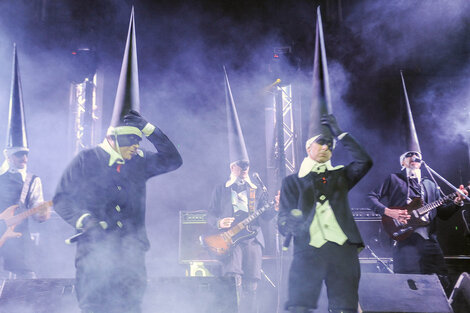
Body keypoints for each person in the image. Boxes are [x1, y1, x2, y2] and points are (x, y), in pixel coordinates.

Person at [53, 110, 182, 313]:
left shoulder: (138, 161)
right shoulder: (87, 159)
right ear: (113, 140)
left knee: (131, 306)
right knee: (94, 306)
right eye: (132, 141)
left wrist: (149, 129)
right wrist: (85, 221)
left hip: (131, 255)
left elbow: (173, 160)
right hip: (94, 253)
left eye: (138, 141)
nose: (137, 146)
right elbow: (62, 200)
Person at [278, 114, 372, 313]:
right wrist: (291, 224)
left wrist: (339, 133)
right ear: (308, 147)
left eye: (330, 145)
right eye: (321, 143)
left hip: (342, 250)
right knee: (299, 306)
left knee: (345, 307)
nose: (325, 148)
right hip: (308, 249)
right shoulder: (292, 181)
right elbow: (283, 219)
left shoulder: (340, 176)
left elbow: (364, 161)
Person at [368, 150, 467, 291]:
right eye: (409, 156)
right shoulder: (394, 178)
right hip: (404, 238)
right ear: (403, 163)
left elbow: (443, 213)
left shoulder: (430, 184)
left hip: (429, 240)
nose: (414, 157)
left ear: (421, 163)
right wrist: (390, 212)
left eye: (417, 157)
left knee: (441, 279)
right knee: (407, 282)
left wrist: (457, 202)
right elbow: (371, 197)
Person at [0, 44, 50, 279]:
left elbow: (40, 215)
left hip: (20, 244)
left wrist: (42, 214)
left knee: (22, 287)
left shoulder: (32, 181)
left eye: (26, 154)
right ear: (8, 154)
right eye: (20, 154)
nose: (25, 158)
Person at [207, 159, 277, 313]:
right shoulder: (221, 189)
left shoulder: (257, 189)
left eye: (247, 166)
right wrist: (219, 222)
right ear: (232, 167)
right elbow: (210, 214)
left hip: (253, 239)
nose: (245, 169)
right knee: (233, 280)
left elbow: (265, 216)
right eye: (241, 165)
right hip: (231, 240)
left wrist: (276, 208)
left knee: (252, 282)